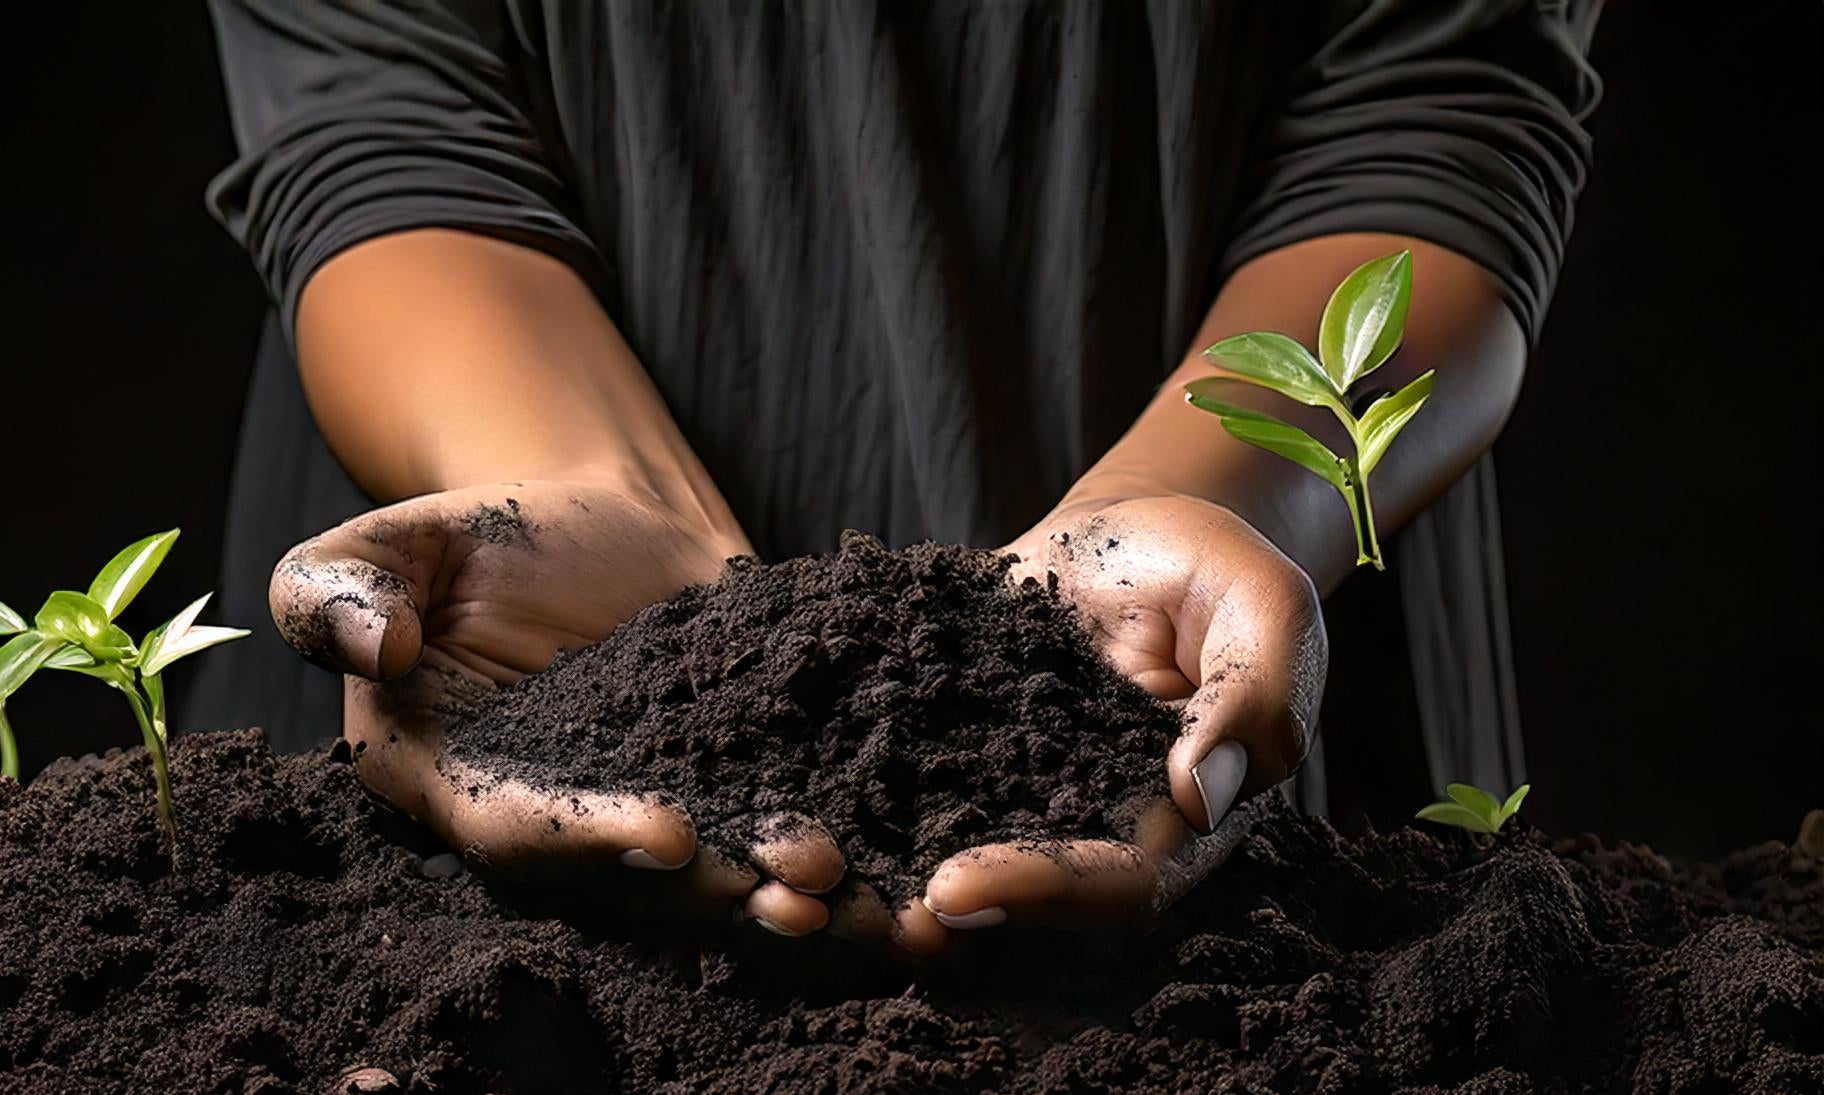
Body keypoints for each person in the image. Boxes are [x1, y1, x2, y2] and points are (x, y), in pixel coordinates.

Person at [183, 1, 1600, 953]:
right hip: (486, 464)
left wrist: (1227, 500)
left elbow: (1439, 104)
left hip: (1230, 581)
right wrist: (563, 480)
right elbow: (372, 111)